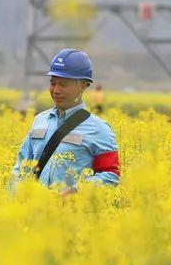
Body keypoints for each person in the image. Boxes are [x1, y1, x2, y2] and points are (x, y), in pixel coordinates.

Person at [12, 48, 120, 194]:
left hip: (73, 214)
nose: (56, 90)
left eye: (63, 84)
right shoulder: (40, 120)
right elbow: (21, 169)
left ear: (83, 85)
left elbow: (111, 174)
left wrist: (76, 192)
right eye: (53, 83)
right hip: (35, 212)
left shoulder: (100, 129)